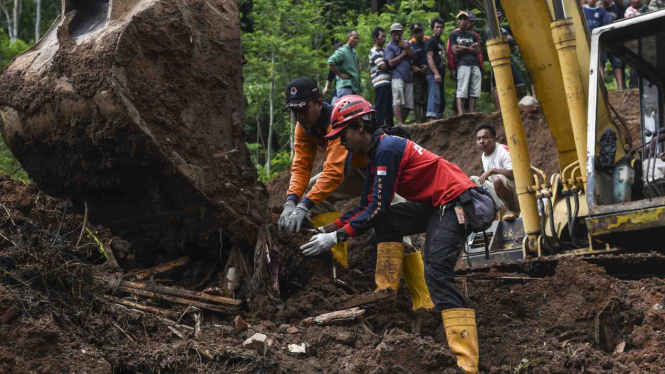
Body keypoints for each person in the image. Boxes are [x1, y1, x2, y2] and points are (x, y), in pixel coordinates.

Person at [301, 96, 494, 374]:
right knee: (389, 221)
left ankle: (466, 363)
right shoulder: (377, 152)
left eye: (343, 135)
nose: (341, 143)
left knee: (437, 273)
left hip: (454, 203)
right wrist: (325, 229)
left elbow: (376, 208)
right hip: (434, 205)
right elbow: (365, 204)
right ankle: (387, 289)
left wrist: (337, 238)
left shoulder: (388, 149)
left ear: (358, 126)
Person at [277, 78, 368, 268]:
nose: (299, 116)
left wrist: (302, 207)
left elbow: (334, 171)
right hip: (353, 171)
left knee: (394, 221)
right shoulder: (303, 128)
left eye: (303, 109)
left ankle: (421, 295)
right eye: (294, 111)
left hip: (379, 170)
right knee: (312, 196)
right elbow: (301, 165)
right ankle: (338, 264)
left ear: (319, 103)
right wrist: (291, 201)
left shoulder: (337, 119)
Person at [471, 123, 520, 221]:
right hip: (500, 191)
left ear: (494, 138)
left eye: (485, 138)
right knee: (471, 180)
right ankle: (488, 214)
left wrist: (493, 171)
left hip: (515, 191)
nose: (481, 141)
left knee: (497, 179)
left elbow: (515, 174)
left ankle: (513, 210)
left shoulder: (503, 151)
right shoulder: (484, 156)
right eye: (479, 138)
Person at [385, 23, 418, 126]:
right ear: (391, 34)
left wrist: (407, 48)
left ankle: (401, 123)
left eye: (399, 32)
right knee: (397, 100)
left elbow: (415, 57)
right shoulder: (389, 47)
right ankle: (399, 122)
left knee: (408, 104)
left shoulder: (407, 43)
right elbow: (390, 63)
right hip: (397, 76)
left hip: (408, 76)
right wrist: (403, 54)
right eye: (394, 32)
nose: (397, 35)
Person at [450, 12, 482, 115]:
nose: (463, 21)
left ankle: (471, 112)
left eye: (465, 19)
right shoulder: (454, 34)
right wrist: (469, 47)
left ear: (468, 21)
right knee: (462, 89)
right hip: (462, 64)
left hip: (474, 64)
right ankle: (461, 112)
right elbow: (454, 50)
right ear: (458, 21)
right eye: (461, 19)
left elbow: (477, 51)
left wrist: (462, 47)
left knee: (474, 90)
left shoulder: (473, 35)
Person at [369, 27, 394, 127]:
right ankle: (376, 128)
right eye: (381, 36)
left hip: (388, 82)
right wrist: (391, 64)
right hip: (380, 82)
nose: (384, 38)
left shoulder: (384, 51)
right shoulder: (374, 51)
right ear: (375, 38)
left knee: (389, 108)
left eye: (385, 36)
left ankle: (390, 128)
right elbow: (383, 66)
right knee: (380, 107)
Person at [327, 31, 361, 102]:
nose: (356, 40)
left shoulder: (355, 55)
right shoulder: (343, 51)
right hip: (345, 87)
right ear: (348, 38)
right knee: (345, 111)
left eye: (358, 38)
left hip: (353, 88)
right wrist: (340, 75)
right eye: (354, 38)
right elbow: (330, 61)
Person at [425, 17, 447, 121]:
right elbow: (429, 57)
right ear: (432, 29)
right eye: (437, 27)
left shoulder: (441, 42)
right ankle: (432, 119)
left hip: (440, 73)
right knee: (434, 96)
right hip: (433, 73)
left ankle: (438, 117)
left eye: (441, 27)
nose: (439, 29)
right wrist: (436, 73)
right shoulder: (431, 41)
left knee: (440, 97)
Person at [409, 23, 430, 123]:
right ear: (412, 34)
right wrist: (414, 67)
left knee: (427, 97)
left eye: (420, 32)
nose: (418, 34)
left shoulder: (429, 40)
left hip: (429, 73)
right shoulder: (410, 44)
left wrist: (428, 66)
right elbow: (407, 61)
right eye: (416, 33)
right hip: (416, 74)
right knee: (417, 98)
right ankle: (418, 121)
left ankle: (425, 120)